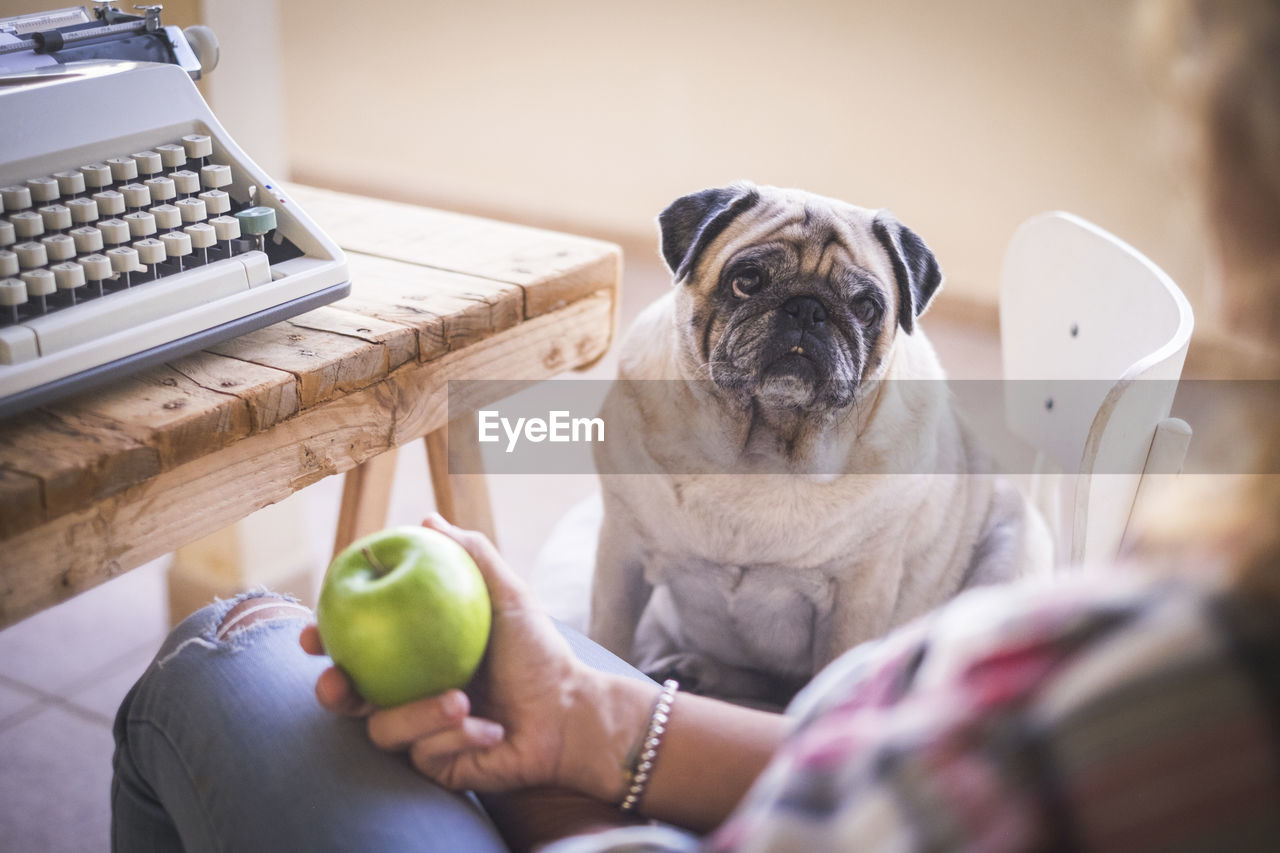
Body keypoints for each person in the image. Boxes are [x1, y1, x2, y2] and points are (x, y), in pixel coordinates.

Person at [112, 1, 1280, 850]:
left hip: (796, 701)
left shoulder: (1124, 686)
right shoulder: (1163, 650)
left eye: (850, 312)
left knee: (221, 655)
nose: (796, 324)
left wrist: (548, 793)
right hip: (718, 715)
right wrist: (588, 709)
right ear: (688, 270)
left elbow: (840, 757)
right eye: (755, 286)